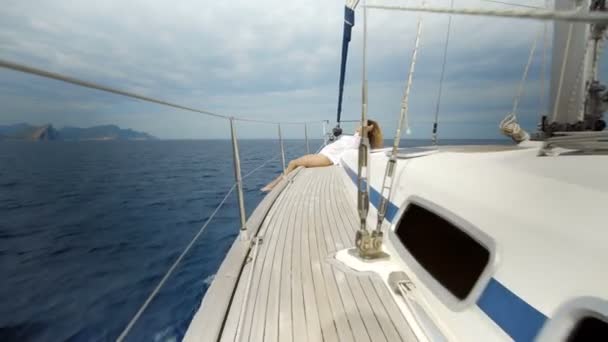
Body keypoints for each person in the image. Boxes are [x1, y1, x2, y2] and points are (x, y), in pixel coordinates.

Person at [261, 119, 383, 192]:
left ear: (366, 129)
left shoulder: (359, 139)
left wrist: (364, 130)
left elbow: (359, 142)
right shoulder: (355, 138)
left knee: (293, 162)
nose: (359, 123)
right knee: (294, 163)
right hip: (324, 155)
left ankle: (274, 184)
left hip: (326, 158)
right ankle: (276, 183)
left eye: (363, 123)